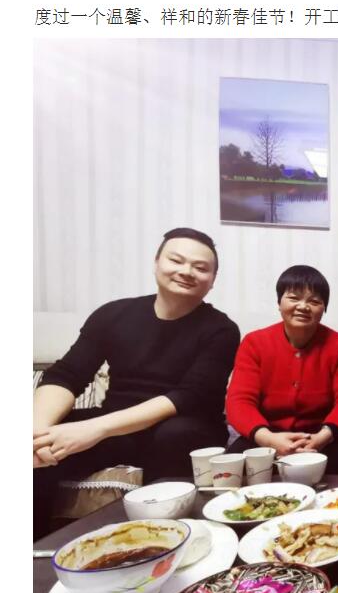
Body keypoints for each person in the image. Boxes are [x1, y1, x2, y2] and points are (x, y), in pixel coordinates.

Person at [33, 227, 240, 539]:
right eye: (176, 260)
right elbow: (68, 374)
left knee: (176, 433)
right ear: (156, 263)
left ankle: (173, 538)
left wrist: (96, 429)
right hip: (118, 427)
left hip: (183, 428)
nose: (187, 271)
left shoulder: (221, 329)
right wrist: (37, 431)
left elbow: (187, 396)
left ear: (212, 281)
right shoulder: (113, 314)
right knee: (41, 444)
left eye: (200, 267)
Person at [225, 265, 338, 473]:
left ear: (324, 308)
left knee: (335, 475)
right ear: (279, 302)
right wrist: (268, 439)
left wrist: (321, 438)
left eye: (314, 301)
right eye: (294, 298)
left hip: (323, 437)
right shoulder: (254, 343)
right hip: (265, 434)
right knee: (236, 473)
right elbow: (239, 401)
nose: (303, 306)